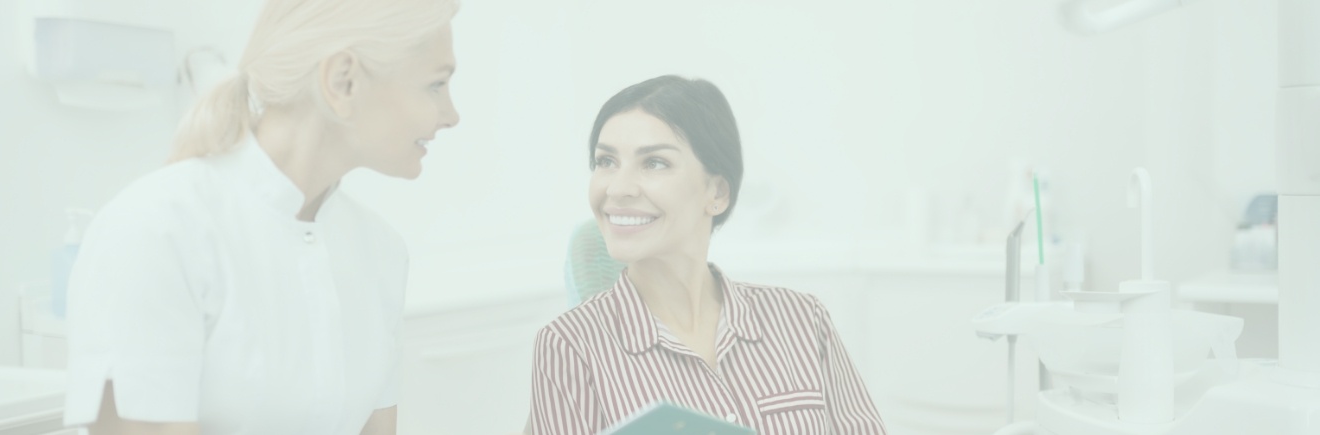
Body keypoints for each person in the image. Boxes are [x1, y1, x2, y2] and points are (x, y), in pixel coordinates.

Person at [62, 0, 460, 434]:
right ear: (343, 81)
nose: (451, 115)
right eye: (436, 85)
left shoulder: (380, 251)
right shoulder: (156, 233)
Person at [528, 75, 886, 434]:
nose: (618, 188)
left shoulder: (803, 320)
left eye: (654, 162)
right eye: (605, 161)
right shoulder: (568, 347)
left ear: (717, 192)